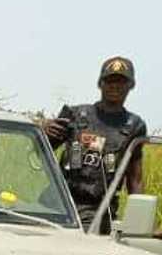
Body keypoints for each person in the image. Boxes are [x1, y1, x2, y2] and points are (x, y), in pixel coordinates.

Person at [43, 56, 147, 232]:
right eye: (110, 81)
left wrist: (144, 223)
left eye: (121, 82)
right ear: (100, 84)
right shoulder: (75, 115)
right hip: (58, 203)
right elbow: (41, 153)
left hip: (97, 211)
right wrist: (44, 133)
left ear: (131, 86)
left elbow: (134, 180)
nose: (115, 86)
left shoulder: (135, 126)